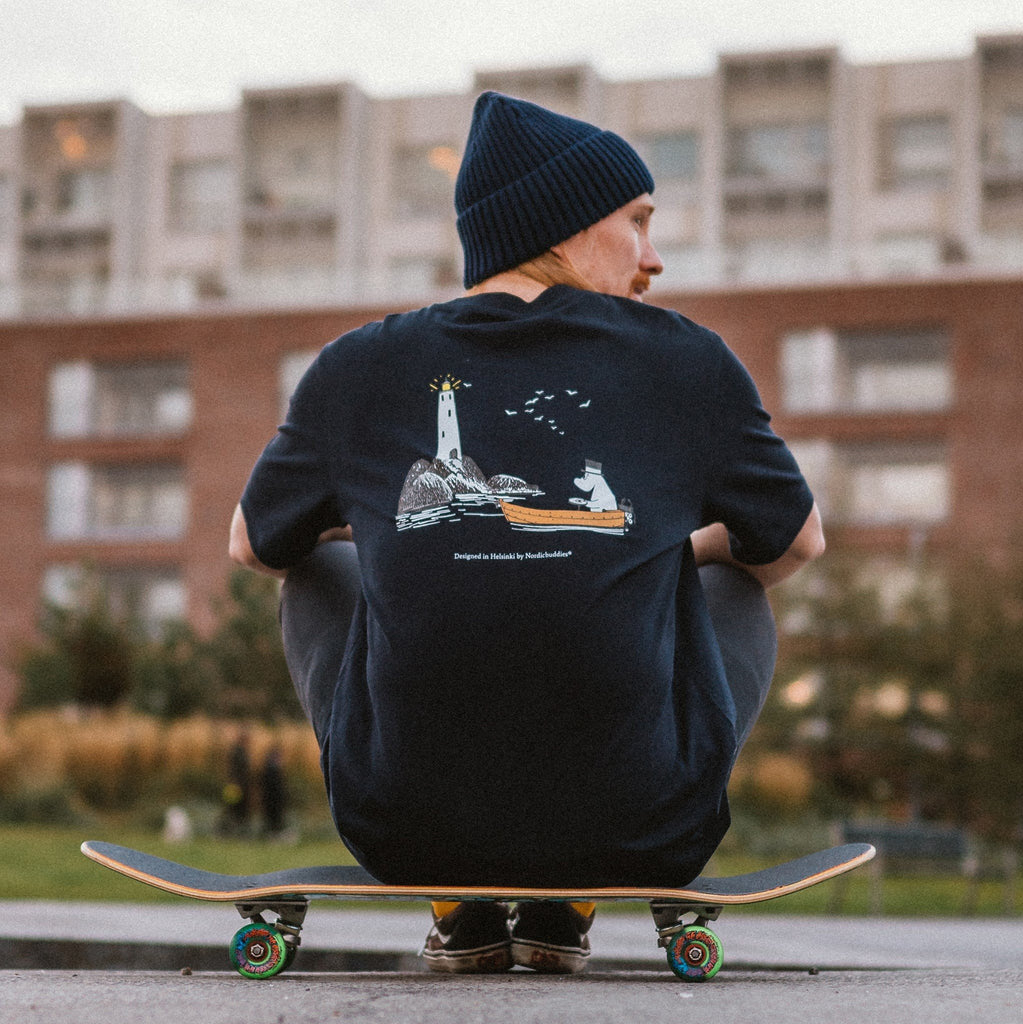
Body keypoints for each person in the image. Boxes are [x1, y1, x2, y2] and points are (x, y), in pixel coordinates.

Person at [229, 91, 824, 975]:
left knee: (315, 571)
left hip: (404, 824)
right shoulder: (685, 359)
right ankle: (566, 898)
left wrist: (392, 549)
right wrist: (661, 551)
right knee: (730, 579)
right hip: (640, 824)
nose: (654, 260)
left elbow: (252, 544)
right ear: (567, 224)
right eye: (638, 222)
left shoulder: (359, 365)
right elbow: (796, 543)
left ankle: (456, 898)